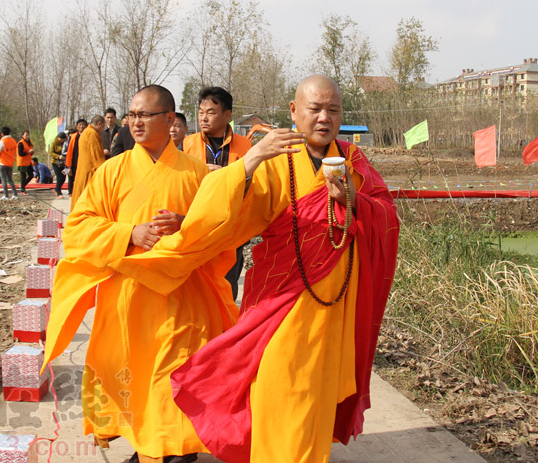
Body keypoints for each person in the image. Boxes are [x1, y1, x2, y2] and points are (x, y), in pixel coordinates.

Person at [114, 75, 399, 463]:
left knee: (315, 391)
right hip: (282, 297)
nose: (323, 118)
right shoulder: (276, 159)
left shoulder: (353, 161)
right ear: (294, 112)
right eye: (314, 109)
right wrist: (193, 218)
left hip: (334, 300)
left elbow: (385, 216)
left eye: (333, 110)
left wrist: (354, 200)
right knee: (275, 383)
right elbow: (238, 213)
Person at [42, 85, 238, 463]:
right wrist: (128, 233)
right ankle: (147, 443)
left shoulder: (198, 174)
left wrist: (186, 224)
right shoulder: (111, 170)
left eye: (145, 115)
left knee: (175, 369)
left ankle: (173, 448)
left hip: (182, 295)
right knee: (135, 372)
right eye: (132, 115)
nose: (135, 122)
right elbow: (79, 227)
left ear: (169, 120)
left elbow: (222, 231)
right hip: (128, 295)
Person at [182, 87, 252, 300]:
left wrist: (227, 176)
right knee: (195, 287)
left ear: (227, 115)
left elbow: (252, 185)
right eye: (201, 112)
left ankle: (226, 330)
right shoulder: (188, 144)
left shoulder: (244, 145)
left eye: (211, 112)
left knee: (226, 285)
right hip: (196, 225)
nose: (204, 117)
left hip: (231, 229)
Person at [69, 115, 106, 210]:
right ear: (99, 123)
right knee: (86, 201)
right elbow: (97, 157)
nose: (103, 129)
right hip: (89, 173)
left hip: (83, 171)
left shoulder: (87, 132)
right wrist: (105, 172)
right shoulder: (92, 133)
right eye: (103, 126)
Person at [64, 119, 88, 198]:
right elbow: (70, 151)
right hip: (74, 160)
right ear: (77, 127)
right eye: (80, 125)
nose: (81, 126)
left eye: (83, 125)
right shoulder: (73, 137)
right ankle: (70, 192)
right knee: (71, 176)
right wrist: (69, 166)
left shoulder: (88, 135)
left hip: (84, 160)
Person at [0, 126, 18, 200]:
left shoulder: (2, 141)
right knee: (10, 179)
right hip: (10, 162)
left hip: (2, 162)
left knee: (3, 179)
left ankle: (6, 195)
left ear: (2, 134)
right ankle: (15, 194)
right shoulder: (13, 140)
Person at [49, 131, 68, 198]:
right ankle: (58, 190)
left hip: (63, 163)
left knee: (64, 176)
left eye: (63, 139)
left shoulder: (65, 143)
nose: (62, 140)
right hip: (56, 163)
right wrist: (58, 156)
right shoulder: (54, 143)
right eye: (61, 139)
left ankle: (57, 188)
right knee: (59, 177)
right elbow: (51, 153)